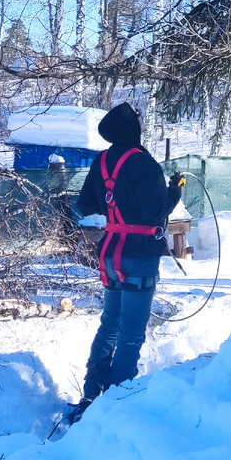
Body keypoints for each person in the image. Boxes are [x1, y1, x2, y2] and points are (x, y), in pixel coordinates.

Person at [69, 102, 184, 423]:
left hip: (110, 252)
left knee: (110, 324)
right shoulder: (144, 162)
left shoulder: (102, 161)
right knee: (131, 332)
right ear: (133, 129)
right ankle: (116, 404)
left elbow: (85, 204)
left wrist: (115, 204)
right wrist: (174, 191)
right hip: (139, 255)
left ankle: (90, 395)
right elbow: (156, 211)